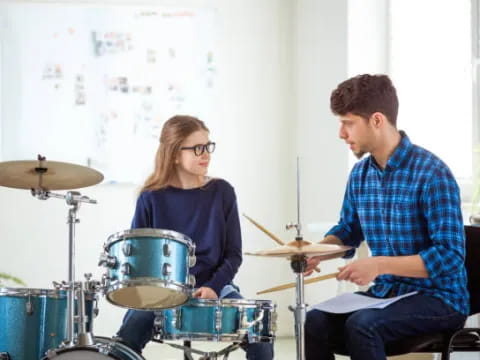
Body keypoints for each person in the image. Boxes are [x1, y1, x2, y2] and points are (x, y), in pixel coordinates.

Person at [304, 74, 469, 360]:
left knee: (362, 326)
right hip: (388, 294)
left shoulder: (432, 173)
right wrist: (318, 252)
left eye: (348, 123)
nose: (341, 133)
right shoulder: (360, 175)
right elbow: (348, 231)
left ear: (377, 120)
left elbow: (450, 257)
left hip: (440, 298)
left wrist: (379, 264)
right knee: (315, 321)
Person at [115, 115, 274, 359]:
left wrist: (213, 286)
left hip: (217, 287)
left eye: (208, 146)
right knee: (127, 337)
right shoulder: (151, 198)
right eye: (198, 148)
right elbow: (139, 259)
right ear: (175, 154)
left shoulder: (222, 192)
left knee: (260, 336)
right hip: (161, 293)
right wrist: (156, 294)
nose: (206, 154)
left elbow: (233, 254)